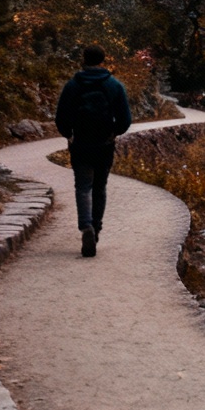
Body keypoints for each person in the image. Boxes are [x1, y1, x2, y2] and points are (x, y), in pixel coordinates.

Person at [54, 46, 132, 258]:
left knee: (83, 186)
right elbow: (125, 119)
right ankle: (95, 229)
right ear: (103, 60)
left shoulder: (73, 85)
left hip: (80, 143)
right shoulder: (114, 85)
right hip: (104, 144)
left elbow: (61, 117)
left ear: (84, 59)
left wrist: (69, 135)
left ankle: (85, 226)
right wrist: (114, 133)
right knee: (99, 187)